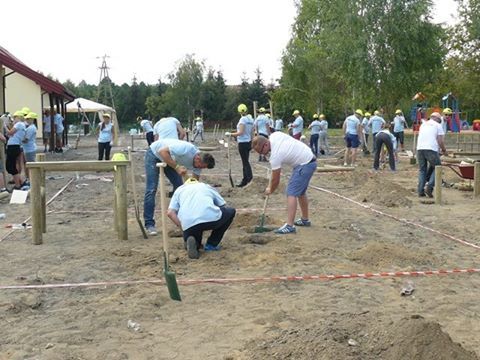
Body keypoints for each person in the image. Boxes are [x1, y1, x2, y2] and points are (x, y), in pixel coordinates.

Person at [143, 138, 215, 235]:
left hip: (170, 158)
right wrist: (177, 167)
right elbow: (162, 151)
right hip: (155, 154)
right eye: (200, 166)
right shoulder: (186, 149)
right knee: (151, 188)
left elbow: (193, 183)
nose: (199, 168)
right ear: (197, 158)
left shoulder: (199, 164)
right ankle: (149, 224)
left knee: (180, 188)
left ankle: (183, 222)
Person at [252, 132, 317, 234]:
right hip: (308, 159)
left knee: (291, 192)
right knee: (300, 192)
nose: (262, 154)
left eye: (261, 151)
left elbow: (276, 180)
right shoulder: (275, 135)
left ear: (265, 145)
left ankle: (289, 226)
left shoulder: (275, 155)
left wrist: (270, 189)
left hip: (305, 164)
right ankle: (305, 220)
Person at [167, 178, 236, 259]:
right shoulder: (206, 187)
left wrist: (182, 227)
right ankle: (211, 244)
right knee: (230, 211)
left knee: (193, 231)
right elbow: (223, 205)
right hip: (210, 218)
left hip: (189, 223)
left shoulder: (179, 190)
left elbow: (170, 213)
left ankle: (194, 243)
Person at [416, 112, 447, 198]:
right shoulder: (437, 125)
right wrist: (444, 150)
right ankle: (429, 187)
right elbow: (440, 141)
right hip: (430, 149)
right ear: (437, 119)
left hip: (419, 149)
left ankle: (420, 191)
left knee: (422, 170)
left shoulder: (423, 125)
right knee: (438, 167)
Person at [225, 104, 254, 187]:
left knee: (245, 162)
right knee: (245, 161)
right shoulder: (250, 119)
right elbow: (252, 132)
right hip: (248, 142)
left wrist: (230, 134)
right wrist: (252, 142)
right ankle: (245, 179)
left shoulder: (242, 120)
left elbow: (240, 133)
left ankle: (248, 178)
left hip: (243, 143)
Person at [6, 111, 27, 189]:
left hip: (13, 146)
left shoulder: (19, 124)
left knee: (10, 166)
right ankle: (19, 182)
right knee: (11, 166)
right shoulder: (23, 125)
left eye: (14, 117)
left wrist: (4, 125)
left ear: (18, 117)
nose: (13, 119)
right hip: (15, 146)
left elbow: (9, 133)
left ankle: (18, 184)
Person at [23, 112, 38, 181]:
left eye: (28, 119)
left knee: (31, 165)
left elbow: (26, 139)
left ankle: (32, 179)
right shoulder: (31, 127)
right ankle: (30, 178)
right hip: (29, 148)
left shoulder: (31, 128)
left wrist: (18, 139)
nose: (27, 120)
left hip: (29, 149)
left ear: (32, 119)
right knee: (29, 164)